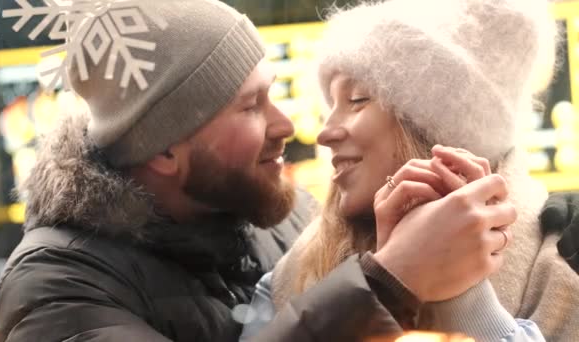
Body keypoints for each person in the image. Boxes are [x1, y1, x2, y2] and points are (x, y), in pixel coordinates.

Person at [0, 0, 579, 341]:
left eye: (357, 100)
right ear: (165, 149)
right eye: (250, 106)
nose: (299, 128)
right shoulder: (54, 287)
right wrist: (392, 280)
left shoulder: (276, 220)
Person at [244, 0, 579, 341]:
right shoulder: (286, 277)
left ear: (438, 131)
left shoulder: (562, 267)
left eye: (357, 100)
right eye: (331, 105)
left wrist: (465, 300)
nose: (324, 133)